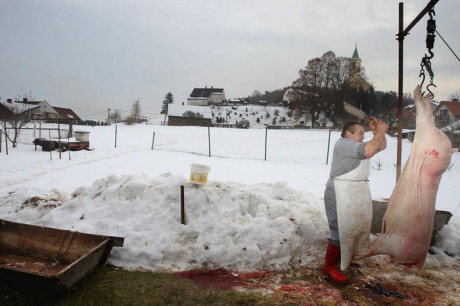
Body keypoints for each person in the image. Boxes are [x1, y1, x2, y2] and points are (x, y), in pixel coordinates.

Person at [323, 118, 388, 284]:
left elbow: (380, 146)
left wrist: (377, 133)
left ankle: (348, 258)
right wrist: (379, 132)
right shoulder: (344, 144)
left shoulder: (357, 146)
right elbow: (370, 151)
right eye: (360, 133)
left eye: (363, 134)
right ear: (348, 133)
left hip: (354, 191)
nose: (362, 137)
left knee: (354, 226)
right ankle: (330, 267)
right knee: (340, 228)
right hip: (339, 191)